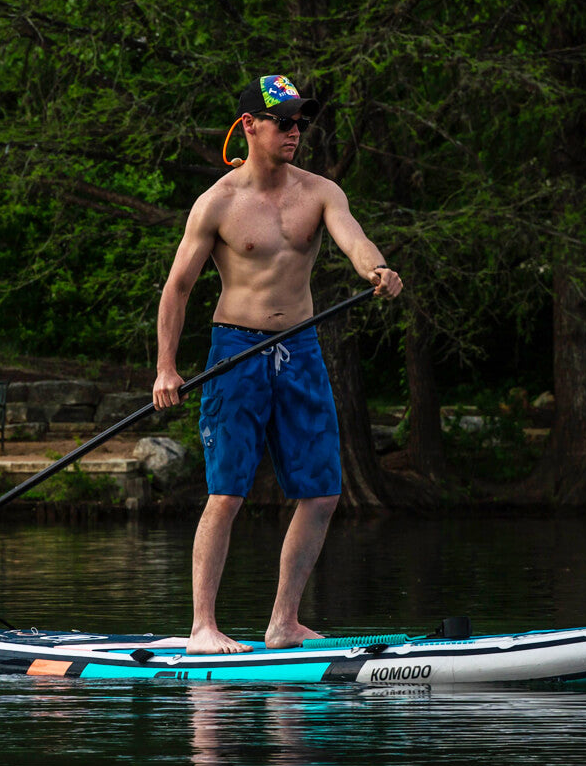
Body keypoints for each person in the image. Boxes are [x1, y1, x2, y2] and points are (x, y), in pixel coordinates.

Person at [152, 74, 403, 655]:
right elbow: (177, 289)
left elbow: (354, 240)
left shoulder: (320, 192)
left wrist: (376, 269)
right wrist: (166, 368)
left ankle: (283, 622)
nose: (295, 131)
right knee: (228, 492)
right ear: (249, 126)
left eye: (300, 122)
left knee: (320, 492)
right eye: (284, 121)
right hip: (233, 353)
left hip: (301, 350)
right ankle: (203, 628)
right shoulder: (217, 202)